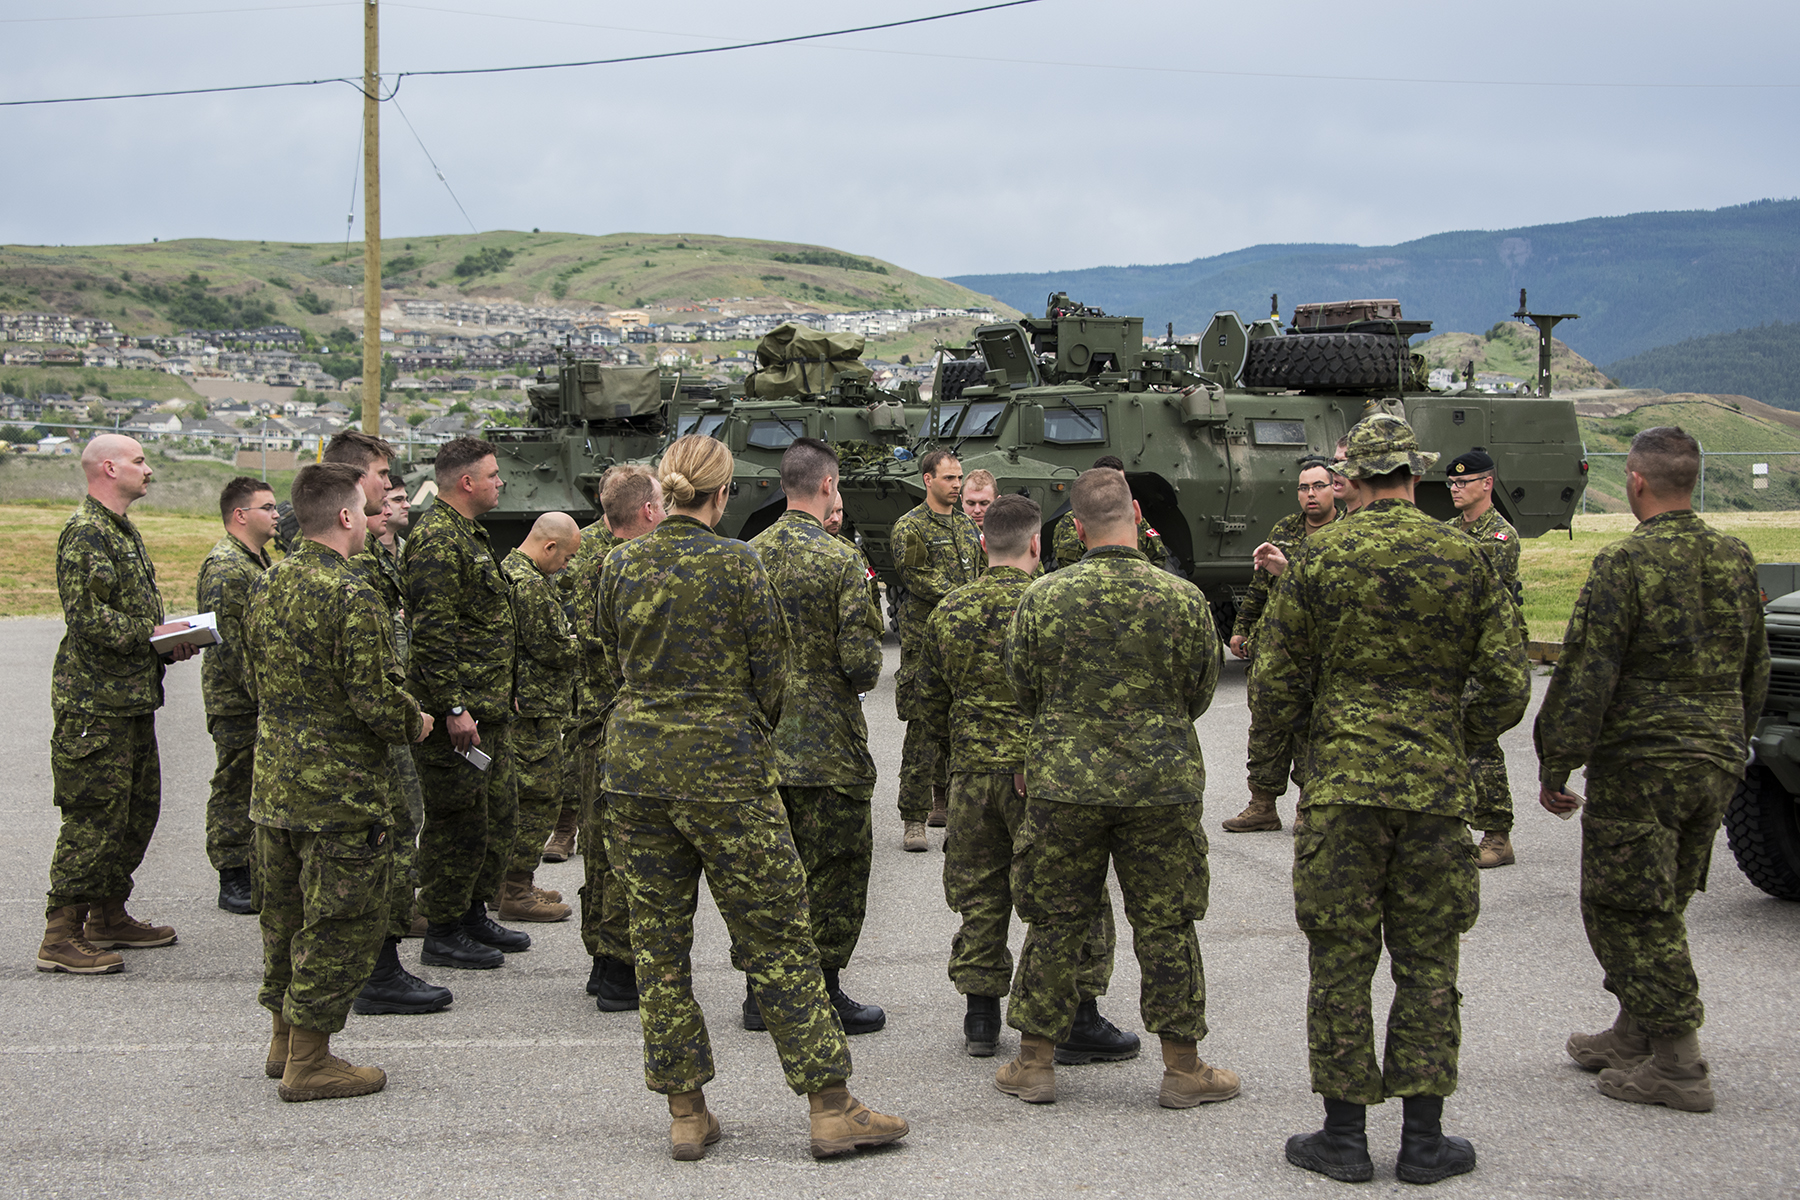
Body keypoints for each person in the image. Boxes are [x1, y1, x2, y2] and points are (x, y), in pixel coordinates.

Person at [597, 434, 908, 1161]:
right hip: (726, 772)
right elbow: (773, 676)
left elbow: (612, 655)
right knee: (779, 937)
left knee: (659, 947)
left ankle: (685, 1112)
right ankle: (830, 1106)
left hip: (637, 770)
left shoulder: (618, 563)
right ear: (724, 493)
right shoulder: (739, 565)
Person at [1250, 415, 1529, 1185]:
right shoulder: (1466, 558)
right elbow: (1507, 685)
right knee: (1429, 960)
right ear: (1416, 474)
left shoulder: (1316, 560)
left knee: (1341, 958)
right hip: (1436, 793)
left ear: (1352, 480)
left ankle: (1343, 1136)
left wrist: (1321, 735)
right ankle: (1423, 1139)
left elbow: (1274, 685)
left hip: (1340, 788)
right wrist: (1447, 729)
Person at [1536, 426, 1767, 1115]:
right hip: (1715, 760)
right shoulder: (1735, 556)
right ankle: (1633, 1030)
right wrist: (1734, 741)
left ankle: (1677, 1061)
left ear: (1636, 481)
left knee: (1626, 908)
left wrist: (1557, 759)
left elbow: (1587, 670)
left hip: (1644, 764)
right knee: (1662, 899)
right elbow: (1757, 666)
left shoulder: (1626, 563)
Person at [995, 467, 1235, 1110]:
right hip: (1160, 786)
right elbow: (1200, 692)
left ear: (1074, 528)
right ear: (1135, 517)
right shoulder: (1183, 600)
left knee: (1053, 920)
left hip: (1064, 786)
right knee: (1167, 923)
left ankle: (1036, 1064)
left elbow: (1023, 689)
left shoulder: (1041, 599)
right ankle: (1184, 1069)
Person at [920, 493, 1134, 1064]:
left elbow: (927, 701)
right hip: (1039, 775)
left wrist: (961, 752)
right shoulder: (1054, 603)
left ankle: (981, 1015)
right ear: (1037, 544)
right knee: (1068, 895)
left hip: (970, 775)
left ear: (982, 541)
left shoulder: (949, 610)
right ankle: (1079, 1014)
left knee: (979, 891)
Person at [244, 462, 432, 1101]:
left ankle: (282, 1040)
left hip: (275, 786)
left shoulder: (268, 584)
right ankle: (311, 1061)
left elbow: (250, 679)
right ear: (348, 517)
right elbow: (376, 701)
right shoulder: (351, 593)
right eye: (366, 508)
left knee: (284, 919)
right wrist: (418, 719)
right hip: (341, 795)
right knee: (340, 922)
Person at [37, 434, 197, 976]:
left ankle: (106, 914)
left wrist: (165, 640)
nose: (147, 470)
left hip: (129, 699)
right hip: (94, 706)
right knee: (94, 819)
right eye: (138, 461)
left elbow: (120, 617)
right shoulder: (85, 533)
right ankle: (60, 935)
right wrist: (153, 634)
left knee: (135, 814)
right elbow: (88, 620)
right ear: (109, 468)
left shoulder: (118, 530)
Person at [748, 439, 887, 1036]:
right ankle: (824, 988)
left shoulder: (746, 556)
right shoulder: (838, 561)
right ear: (828, 485)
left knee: (768, 874)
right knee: (835, 872)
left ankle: (762, 992)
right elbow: (862, 664)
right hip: (829, 748)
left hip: (761, 744)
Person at [404, 436, 527, 970]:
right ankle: (444, 926)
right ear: (466, 482)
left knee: (494, 818)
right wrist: (453, 707)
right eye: (494, 474)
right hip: (461, 717)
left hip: (488, 711)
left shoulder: (468, 535)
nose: (501, 482)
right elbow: (432, 633)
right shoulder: (437, 540)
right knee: (457, 822)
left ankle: (472, 911)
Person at [574, 464, 663, 1011]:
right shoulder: (622, 560)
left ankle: (602, 961)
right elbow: (612, 647)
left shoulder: (588, 547)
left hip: (591, 715)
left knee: (599, 843)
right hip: (614, 715)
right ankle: (617, 969)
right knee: (620, 849)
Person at [1224, 457, 1343, 834]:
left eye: (1318, 486)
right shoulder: (1286, 529)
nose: (1311, 494)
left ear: (1334, 488)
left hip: (1320, 651)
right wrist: (1241, 629)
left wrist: (1289, 571)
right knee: (1265, 727)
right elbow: (1260, 587)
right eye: (1304, 488)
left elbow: (1336, 594)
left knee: (1311, 731)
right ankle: (1262, 805)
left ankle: (1310, 807)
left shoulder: (1345, 533)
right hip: (1276, 650)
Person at [891, 449, 982, 850]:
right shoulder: (909, 528)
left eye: (959, 478)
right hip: (925, 643)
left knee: (964, 729)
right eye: (949, 478)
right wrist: (969, 598)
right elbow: (917, 578)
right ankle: (914, 819)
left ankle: (959, 812)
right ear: (928, 479)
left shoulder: (965, 526)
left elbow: (980, 571)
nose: (957, 485)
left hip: (965, 644)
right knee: (923, 732)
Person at [196, 476, 277, 915]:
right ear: (240, 515)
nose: (276, 514)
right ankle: (233, 875)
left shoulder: (254, 560)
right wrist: (264, 695)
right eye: (266, 508)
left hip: (255, 696)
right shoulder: (227, 566)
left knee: (252, 783)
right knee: (235, 784)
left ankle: (253, 869)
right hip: (238, 701)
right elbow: (229, 646)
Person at [1444, 448, 1526, 869]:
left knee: (1478, 740)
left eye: (1464, 482)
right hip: (1451, 653)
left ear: (1487, 484)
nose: (1456, 489)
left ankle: (1497, 834)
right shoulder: (1447, 530)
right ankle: (1455, 828)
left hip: (1486, 654)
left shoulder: (1500, 537)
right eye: (1452, 483)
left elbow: (1469, 595)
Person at [497, 512, 581, 923]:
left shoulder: (512, 573)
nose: (565, 567)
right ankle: (514, 889)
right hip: (532, 712)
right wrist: (588, 644)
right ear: (549, 547)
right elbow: (549, 647)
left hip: (530, 707)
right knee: (538, 798)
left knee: (525, 797)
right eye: (565, 558)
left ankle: (513, 883)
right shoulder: (529, 586)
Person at [1048, 455, 1171, 571]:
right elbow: (1069, 567)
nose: (1114, 488)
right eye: (1106, 483)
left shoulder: (1136, 519)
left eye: (1120, 482)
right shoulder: (1072, 522)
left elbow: (1158, 557)